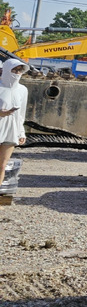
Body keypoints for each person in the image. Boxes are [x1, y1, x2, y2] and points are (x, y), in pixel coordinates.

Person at [0, 58, 29, 200]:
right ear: (6, 69)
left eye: (19, 70)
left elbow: (21, 113)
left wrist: (21, 132)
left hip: (11, 129)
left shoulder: (23, 90)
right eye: (14, 70)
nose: (17, 73)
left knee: (2, 164)